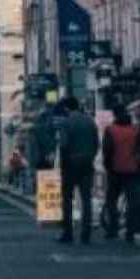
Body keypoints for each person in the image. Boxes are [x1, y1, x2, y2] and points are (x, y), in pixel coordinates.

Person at [54, 96, 99, 244]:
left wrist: (63, 164)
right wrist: (90, 156)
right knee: (86, 198)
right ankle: (86, 234)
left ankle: (68, 233)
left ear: (67, 108)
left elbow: (64, 145)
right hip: (87, 163)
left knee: (67, 199)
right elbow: (96, 143)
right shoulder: (90, 121)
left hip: (70, 164)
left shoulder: (66, 123)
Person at [100, 106, 140, 241]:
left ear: (115, 116)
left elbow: (107, 151)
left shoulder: (111, 130)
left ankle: (113, 228)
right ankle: (130, 231)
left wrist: (108, 167)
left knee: (111, 200)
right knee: (132, 201)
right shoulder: (136, 130)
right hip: (132, 170)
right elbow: (139, 149)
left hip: (115, 170)